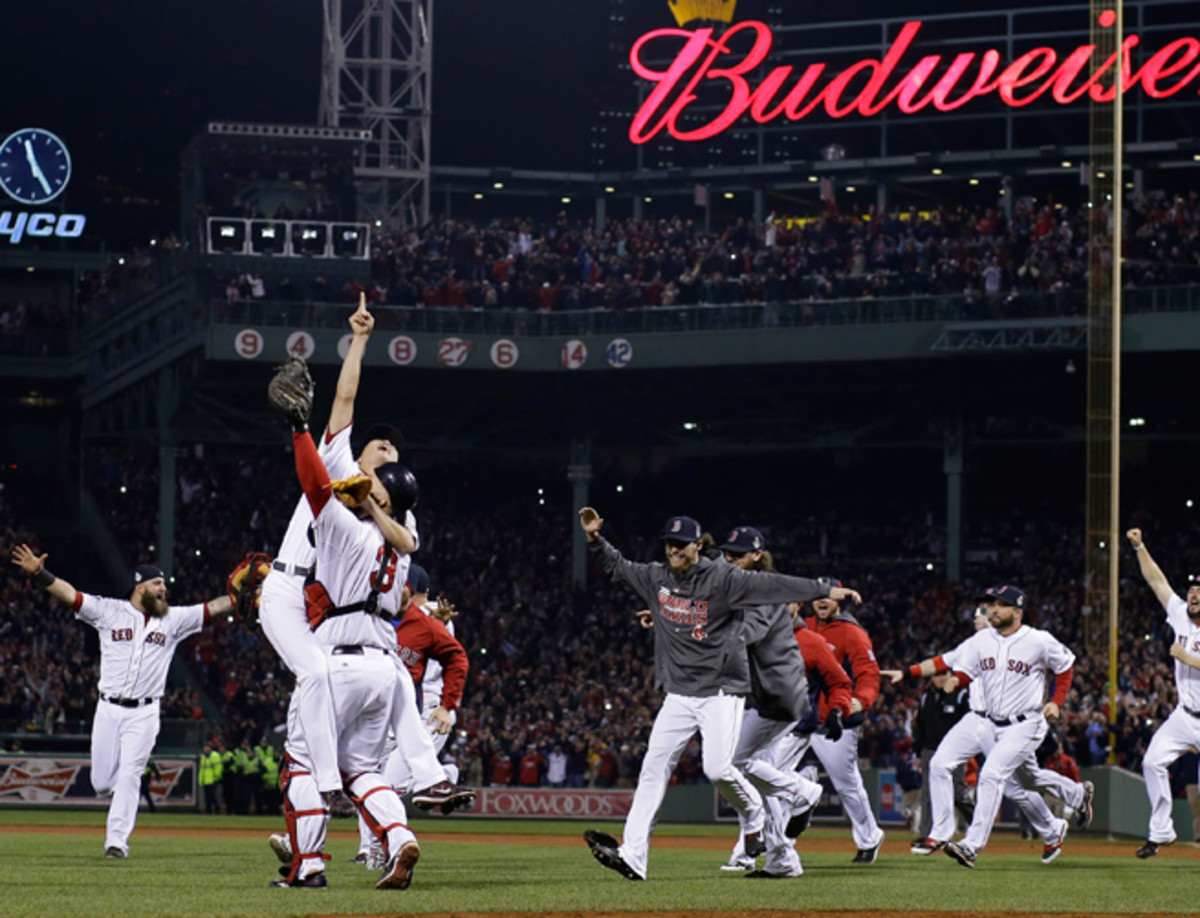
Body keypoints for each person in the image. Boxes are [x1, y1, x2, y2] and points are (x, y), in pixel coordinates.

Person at [578, 508, 861, 881]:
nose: (673, 550)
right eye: (669, 543)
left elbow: (775, 587)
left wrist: (823, 590)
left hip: (720, 691)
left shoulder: (723, 577)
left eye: (681, 545)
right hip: (678, 694)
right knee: (653, 768)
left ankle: (755, 815)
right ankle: (634, 855)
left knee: (717, 768)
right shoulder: (657, 577)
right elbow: (620, 567)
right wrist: (595, 539)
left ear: (698, 546)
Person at [257, 293, 416, 818]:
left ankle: (302, 817)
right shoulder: (336, 458)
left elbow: (405, 545)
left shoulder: (388, 509)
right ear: (360, 452)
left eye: (394, 448)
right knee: (317, 678)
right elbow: (345, 402)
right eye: (381, 445)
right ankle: (325, 788)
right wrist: (360, 341)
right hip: (289, 587)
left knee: (321, 692)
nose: (388, 450)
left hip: (325, 603)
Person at [266, 392, 423, 890]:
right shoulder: (400, 546)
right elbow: (400, 600)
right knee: (362, 769)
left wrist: (299, 430)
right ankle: (398, 838)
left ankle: (308, 864)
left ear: (379, 494)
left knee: (301, 760)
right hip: (383, 667)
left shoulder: (345, 530)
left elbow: (314, 481)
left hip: (338, 662)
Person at [8, 547, 232, 857]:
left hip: (145, 712)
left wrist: (239, 597)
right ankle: (119, 798)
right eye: (157, 584)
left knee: (130, 773)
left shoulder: (174, 619)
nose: (163, 589)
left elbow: (212, 608)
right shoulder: (108, 611)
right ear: (139, 586)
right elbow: (70, 595)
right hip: (109, 709)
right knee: (101, 781)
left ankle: (116, 841)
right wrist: (39, 573)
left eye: (164, 585)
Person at [882, 585, 1077, 869]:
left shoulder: (1038, 640)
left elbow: (1066, 665)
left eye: (999, 605)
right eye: (990, 604)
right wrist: (909, 673)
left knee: (995, 776)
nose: (992, 610)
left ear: (1017, 611)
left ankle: (971, 846)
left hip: (1022, 723)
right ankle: (940, 832)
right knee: (940, 764)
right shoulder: (982, 639)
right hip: (982, 720)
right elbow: (955, 666)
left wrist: (1056, 701)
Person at [708, 526, 844, 878]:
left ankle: (803, 791)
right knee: (751, 777)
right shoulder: (744, 586)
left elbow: (746, 634)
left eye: (737, 554)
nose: (730, 558)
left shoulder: (763, 593)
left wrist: (701, 633)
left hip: (776, 697)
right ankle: (783, 858)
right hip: (763, 697)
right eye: (727, 553)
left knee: (732, 763)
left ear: (756, 556)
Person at [1126, 527, 1200, 858]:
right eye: (1193, 590)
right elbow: (1157, 582)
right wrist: (1140, 546)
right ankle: (1160, 832)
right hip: (1185, 716)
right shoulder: (1181, 614)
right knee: (1153, 762)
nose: (1195, 596)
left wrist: (1189, 658)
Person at [805, 580, 887, 863]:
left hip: (836, 720)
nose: (821, 601)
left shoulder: (852, 633)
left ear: (838, 600)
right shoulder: (802, 626)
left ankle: (869, 837)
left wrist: (859, 701)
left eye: (827, 596)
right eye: (817, 596)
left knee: (846, 784)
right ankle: (778, 840)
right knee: (778, 772)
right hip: (800, 718)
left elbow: (869, 674)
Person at [198, 742, 224, 814]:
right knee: (207, 797)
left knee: (213, 796)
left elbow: (218, 767)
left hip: (213, 780)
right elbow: (202, 769)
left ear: (210, 748)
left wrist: (217, 777)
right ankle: (208, 810)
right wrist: (201, 780)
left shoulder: (215, 756)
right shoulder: (203, 757)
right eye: (204, 748)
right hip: (206, 780)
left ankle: (217, 809)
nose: (205, 749)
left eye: (206, 747)